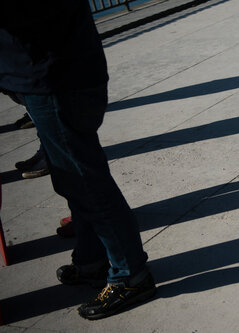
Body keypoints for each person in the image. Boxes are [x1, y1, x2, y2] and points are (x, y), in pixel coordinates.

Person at [0, 1, 155, 319]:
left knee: (87, 185)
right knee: (74, 181)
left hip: (55, 77)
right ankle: (92, 260)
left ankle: (131, 277)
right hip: (50, 73)